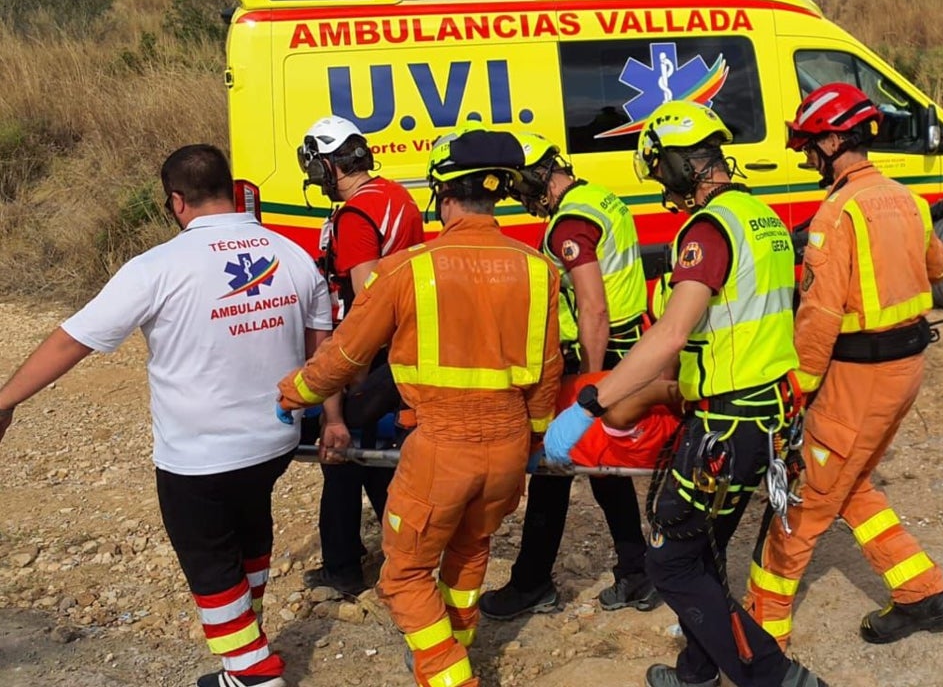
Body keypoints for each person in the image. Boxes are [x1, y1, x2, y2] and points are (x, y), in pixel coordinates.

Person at [0, 145, 332, 687]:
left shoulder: (156, 267)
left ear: (176, 201)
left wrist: (6, 399)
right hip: (274, 442)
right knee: (250, 540)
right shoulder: (290, 254)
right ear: (232, 188)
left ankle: (254, 673)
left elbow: (71, 342)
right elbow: (322, 354)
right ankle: (242, 658)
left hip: (198, 455)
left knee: (210, 566)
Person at [541, 101, 827, 687]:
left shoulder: (709, 228)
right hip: (766, 414)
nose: (664, 188)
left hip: (728, 422)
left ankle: (776, 679)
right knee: (704, 552)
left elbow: (671, 333)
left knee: (670, 563)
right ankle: (698, 671)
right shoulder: (761, 216)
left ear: (677, 163)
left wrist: (589, 404)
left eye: (660, 171)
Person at [276, 126, 563, 687]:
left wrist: (294, 393)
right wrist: (532, 437)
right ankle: (459, 641)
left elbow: (346, 355)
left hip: (442, 447)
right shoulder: (538, 268)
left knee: (404, 575)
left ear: (443, 194)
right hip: (508, 447)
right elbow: (548, 370)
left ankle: (450, 673)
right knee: (470, 550)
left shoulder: (408, 269)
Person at [745, 82, 943, 648]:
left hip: (857, 381)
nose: (806, 156)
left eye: (811, 145)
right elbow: (937, 266)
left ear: (837, 138)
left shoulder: (836, 214)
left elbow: (818, 319)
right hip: (905, 370)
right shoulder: (909, 201)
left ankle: (760, 642)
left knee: (802, 501)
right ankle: (923, 594)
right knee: (851, 480)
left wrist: (795, 390)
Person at [480, 132, 657, 619]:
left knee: (554, 462)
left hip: (602, 353)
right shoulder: (599, 196)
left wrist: (590, 387)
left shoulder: (570, 223)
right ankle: (636, 569)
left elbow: (593, 309)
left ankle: (533, 581)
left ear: (539, 176)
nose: (523, 201)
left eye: (522, 190)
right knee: (597, 466)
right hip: (627, 345)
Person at [296, 115, 424, 596]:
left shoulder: (355, 217)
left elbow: (366, 302)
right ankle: (397, 549)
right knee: (374, 455)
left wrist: (349, 370)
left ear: (329, 165)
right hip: (404, 343)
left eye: (315, 169)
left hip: (375, 351)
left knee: (340, 450)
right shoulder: (395, 196)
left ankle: (343, 567)